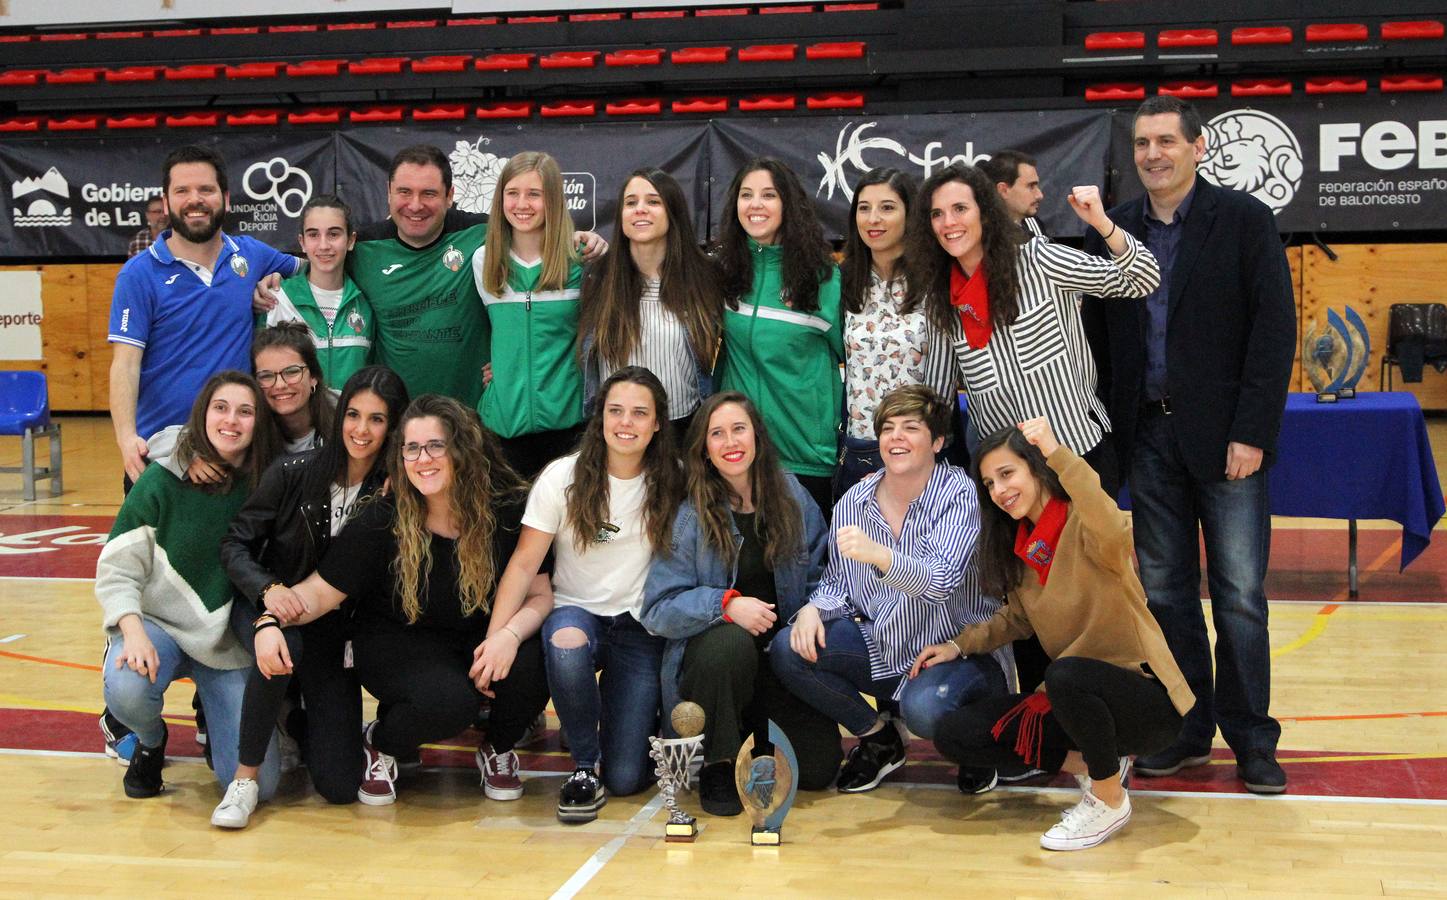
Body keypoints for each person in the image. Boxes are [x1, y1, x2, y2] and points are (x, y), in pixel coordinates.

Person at [1080, 96, 1296, 794]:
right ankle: (1185, 728)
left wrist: (1250, 432)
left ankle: (1252, 739)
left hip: (1225, 441)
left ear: (1198, 147)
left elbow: (1272, 333)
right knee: (1167, 594)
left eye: (1166, 141)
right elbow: (1098, 345)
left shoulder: (1242, 221)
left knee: (1238, 598)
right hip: (1146, 436)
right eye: (1142, 143)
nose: (1152, 155)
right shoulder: (1112, 231)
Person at [920, 418, 1193, 851]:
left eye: (1007, 474)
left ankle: (1108, 799)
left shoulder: (1088, 527)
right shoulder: (1024, 550)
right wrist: (958, 644)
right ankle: (1094, 764)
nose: (999, 489)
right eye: (989, 482)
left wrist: (1056, 451)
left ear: (1037, 469)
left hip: (1147, 702)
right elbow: (1016, 621)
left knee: (1065, 674)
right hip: (1078, 702)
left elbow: (1113, 523)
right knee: (957, 732)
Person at [276, 394, 553, 806]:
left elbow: (541, 595)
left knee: (539, 662)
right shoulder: (383, 518)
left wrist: (507, 637)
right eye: (412, 448)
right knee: (449, 702)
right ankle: (382, 741)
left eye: (436, 445)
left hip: (482, 635)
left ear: (462, 448)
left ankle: (497, 747)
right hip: (400, 642)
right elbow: (320, 591)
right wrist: (270, 611)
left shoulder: (509, 507)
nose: (423, 458)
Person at [770, 386, 1010, 794]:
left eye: (910, 428)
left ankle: (976, 744)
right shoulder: (853, 502)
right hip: (888, 649)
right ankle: (880, 737)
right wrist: (813, 610)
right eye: (888, 428)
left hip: (961, 651)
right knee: (789, 648)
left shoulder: (960, 495)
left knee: (925, 710)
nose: (895, 437)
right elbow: (837, 584)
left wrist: (879, 554)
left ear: (936, 442)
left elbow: (939, 581)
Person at [210, 366, 410, 828]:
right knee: (285, 648)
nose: (361, 430)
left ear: (394, 427)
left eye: (377, 420)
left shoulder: (398, 492)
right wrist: (267, 592)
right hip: (273, 607)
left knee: (339, 787)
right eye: (353, 415)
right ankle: (245, 780)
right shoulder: (293, 472)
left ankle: (299, 724)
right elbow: (234, 544)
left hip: (336, 631)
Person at [254, 145, 606, 407]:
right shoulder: (364, 246)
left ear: (451, 196)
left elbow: (538, 237)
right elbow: (321, 257)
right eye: (404, 192)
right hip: (396, 420)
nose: (415, 205)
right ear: (388, 194)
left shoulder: (485, 236)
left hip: (473, 416)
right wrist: (277, 277)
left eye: (429, 194)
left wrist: (580, 241)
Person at [906, 162, 1160, 504]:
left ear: (986, 212)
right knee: (1018, 561)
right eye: (937, 214)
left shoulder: (1040, 260)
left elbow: (1142, 279)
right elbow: (937, 391)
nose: (948, 222)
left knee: (1091, 559)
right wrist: (910, 457)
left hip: (1078, 456)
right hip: (1006, 479)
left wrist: (1102, 223)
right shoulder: (939, 298)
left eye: (960, 209)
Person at [641, 391, 843, 816]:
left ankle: (752, 731)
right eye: (717, 434)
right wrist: (725, 605)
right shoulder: (690, 512)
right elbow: (659, 608)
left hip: (778, 661)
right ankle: (717, 760)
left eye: (739, 429)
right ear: (704, 449)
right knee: (729, 644)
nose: (730, 442)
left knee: (820, 769)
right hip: (715, 663)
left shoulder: (790, 494)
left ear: (757, 437)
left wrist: (812, 611)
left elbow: (824, 571)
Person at [492, 367, 680, 824]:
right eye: (615, 411)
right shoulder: (562, 477)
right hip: (575, 612)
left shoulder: (675, 479)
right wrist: (497, 635)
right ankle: (582, 766)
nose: (626, 423)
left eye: (639, 413)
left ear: (657, 423)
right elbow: (523, 562)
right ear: (599, 418)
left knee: (627, 778)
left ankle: (628, 738)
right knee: (566, 642)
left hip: (639, 627)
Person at [96, 371, 283, 801]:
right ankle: (148, 739)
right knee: (128, 686)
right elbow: (116, 568)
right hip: (158, 626)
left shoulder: (268, 486)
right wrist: (132, 629)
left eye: (245, 411)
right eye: (221, 408)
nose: (231, 421)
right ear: (203, 414)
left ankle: (222, 723)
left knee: (265, 785)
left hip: (225, 645)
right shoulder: (164, 477)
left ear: (259, 423)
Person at [109, 144, 301, 489]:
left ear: (225, 198)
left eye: (206, 190)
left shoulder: (251, 254)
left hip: (236, 451)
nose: (194, 199)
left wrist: (279, 279)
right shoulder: (138, 275)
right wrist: (126, 439)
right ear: (166, 203)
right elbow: (124, 365)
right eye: (182, 191)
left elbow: (317, 268)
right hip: (163, 458)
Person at [714, 157, 843, 515]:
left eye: (768, 195)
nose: (755, 205)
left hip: (805, 458)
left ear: (788, 204)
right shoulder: (723, 273)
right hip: (739, 459)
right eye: (746, 195)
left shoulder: (824, 277)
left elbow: (854, 358)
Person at [837, 167, 958, 496]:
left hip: (924, 447)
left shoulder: (937, 279)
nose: (873, 218)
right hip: (861, 446)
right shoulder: (844, 280)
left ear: (910, 214)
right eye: (864, 208)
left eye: (887, 208)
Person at [578, 168, 722, 435]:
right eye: (631, 202)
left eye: (653, 202)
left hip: (681, 431)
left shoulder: (705, 279)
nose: (640, 209)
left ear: (673, 212)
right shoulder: (597, 277)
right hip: (616, 434)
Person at [473, 151, 586, 477]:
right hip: (502, 431)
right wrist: (504, 367)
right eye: (513, 193)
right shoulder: (484, 261)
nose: (522, 204)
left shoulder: (579, 261)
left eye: (534, 194)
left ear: (552, 200)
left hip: (568, 430)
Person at [262, 194, 375, 388]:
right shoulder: (276, 298)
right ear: (302, 242)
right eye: (313, 235)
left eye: (334, 234)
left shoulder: (366, 303)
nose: (324, 245)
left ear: (350, 240)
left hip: (348, 418)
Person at [980, 150, 1046, 239]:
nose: (1040, 195)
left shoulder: (1033, 224)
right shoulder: (980, 234)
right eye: (1031, 186)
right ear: (1003, 190)